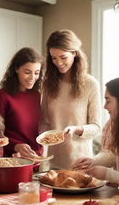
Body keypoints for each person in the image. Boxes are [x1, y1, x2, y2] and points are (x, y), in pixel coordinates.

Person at [40, 29, 101, 169]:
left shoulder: (90, 84)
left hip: (80, 162)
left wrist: (76, 129)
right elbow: (44, 121)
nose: (58, 63)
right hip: (53, 162)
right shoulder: (48, 84)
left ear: (74, 53)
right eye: (54, 58)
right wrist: (42, 135)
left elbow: (96, 127)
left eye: (63, 57)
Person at [0, 47, 44, 158]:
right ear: (16, 69)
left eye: (36, 73)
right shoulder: (1, 96)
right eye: (27, 72)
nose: (32, 78)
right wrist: (16, 146)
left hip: (36, 158)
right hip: (11, 159)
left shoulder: (37, 96)